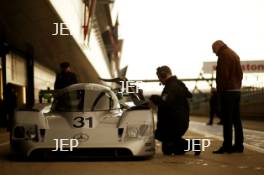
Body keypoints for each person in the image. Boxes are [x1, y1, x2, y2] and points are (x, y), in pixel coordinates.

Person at [150, 66, 200, 155]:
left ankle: (193, 145)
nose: (159, 81)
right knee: (167, 149)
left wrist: (154, 98)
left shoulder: (170, 87)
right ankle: (181, 146)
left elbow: (165, 103)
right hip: (180, 122)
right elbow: (188, 95)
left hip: (174, 124)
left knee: (159, 135)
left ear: (163, 75)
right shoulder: (178, 84)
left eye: (159, 78)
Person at [212, 40, 244, 154]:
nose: (214, 52)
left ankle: (227, 146)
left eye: (213, 49)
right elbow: (240, 74)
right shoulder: (234, 54)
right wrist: (237, 86)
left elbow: (223, 76)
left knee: (227, 120)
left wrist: (220, 92)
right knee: (236, 120)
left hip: (227, 92)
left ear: (218, 46)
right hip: (236, 91)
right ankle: (239, 145)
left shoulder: (223, 55)